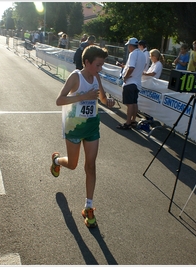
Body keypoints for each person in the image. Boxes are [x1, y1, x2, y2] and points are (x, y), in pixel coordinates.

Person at [50, 45, 115, 228]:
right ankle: (56, 161)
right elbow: (59, 100)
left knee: (91, 166)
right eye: (97, 65)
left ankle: (89, 206)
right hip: (74, 127)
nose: (100, 69)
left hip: (92, 126)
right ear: (86, 62)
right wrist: (83, 96)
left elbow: (101, 99)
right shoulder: (75, 77)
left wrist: (107, 101)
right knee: (72, 164)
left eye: (102, 65)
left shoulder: (96, 77)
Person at [116, 37, 146, 129]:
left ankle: (128, 122)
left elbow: (131, 67)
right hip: (137, 82)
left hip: (130, 82)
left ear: (130, 46)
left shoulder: (133, 54)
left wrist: (125, 77)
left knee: (129, 104)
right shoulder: (142, 54)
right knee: (134, 102)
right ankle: (133, 120)